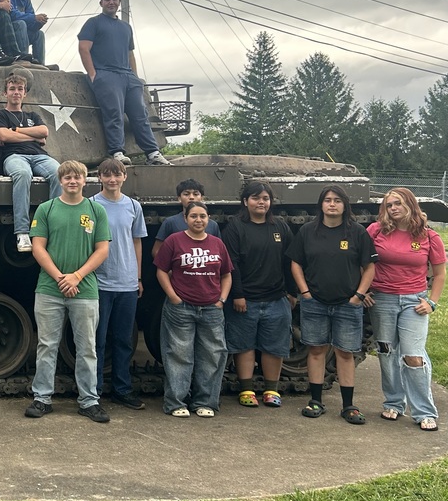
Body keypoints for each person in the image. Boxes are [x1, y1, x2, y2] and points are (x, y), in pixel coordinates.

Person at [25, 161, 112, 423]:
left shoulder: (96, 210)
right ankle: (42, 398)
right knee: (46, 345)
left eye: (77, 177)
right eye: (67, 178)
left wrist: (76, 276)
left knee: (87, 348)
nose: (72, 181)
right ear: (60, 181)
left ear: (85, 180)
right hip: (49, 288)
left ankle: (89, 400)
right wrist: (60, 277)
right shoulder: (47, 208)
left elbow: (102, 250)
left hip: (84, 288)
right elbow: (38, 247)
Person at [289, 185, 377, 425]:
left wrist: (358, 295)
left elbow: (369, 266)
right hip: (315, 302)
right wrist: (305, 292)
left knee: (345, 353)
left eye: (337, 200)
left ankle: (348, 405)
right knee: (316, 350)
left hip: (347, 303)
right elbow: (296, 263)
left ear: (344, 205)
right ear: (321, 204)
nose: (332, 204)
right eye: (327, 200)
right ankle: (316, 401)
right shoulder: (308, 231)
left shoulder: (357, 232)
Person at [367, 187, 445, 431]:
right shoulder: (375, 231)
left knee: (413, 356)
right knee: (386, 351)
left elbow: (440, 274)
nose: (393, 208)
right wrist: (364, 290)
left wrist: (432, 302)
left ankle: (424, 411)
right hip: (382, 299)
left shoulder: (429, 236)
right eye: (389, 205)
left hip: (414, 301)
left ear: (410, 204)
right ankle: (393, 402)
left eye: (398, 203)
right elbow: (362, 262)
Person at [155, 202, 233, 417]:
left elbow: (226, 274)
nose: (198, 220)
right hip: (181, 308)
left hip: (211, 308)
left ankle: (205, 403)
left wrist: (222, 299)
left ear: (208, 219)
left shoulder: (217, 243)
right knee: (178, 355)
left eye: (202, 216)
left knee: (212, 356)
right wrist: (173, 297)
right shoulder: (174, 240)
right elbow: (161, 270)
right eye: (194, 216)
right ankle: (176, 403)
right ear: (186, 218)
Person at [77, 0, 170, 166]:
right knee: (114, 114)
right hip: (106, 73)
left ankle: (153, 152)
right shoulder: (93, 23)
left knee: (140, 115)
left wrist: (135, 77)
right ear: (101, 2)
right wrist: (93, 74)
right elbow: (83, 48)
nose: (111, 2)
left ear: (119, 1)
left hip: (127, 76)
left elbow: (130, 53)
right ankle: (117, 152)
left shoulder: (126, 27)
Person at [222, 181, 295, 408]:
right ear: (246, 201)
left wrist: (292, 292)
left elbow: (289, 261)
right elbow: (231, 264)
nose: (261, 202)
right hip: (246, 298)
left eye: (265, 198)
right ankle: (246, 389)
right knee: (244, 345)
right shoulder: (235, 228)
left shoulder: (280, 227)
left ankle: (271, 389)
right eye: (255, 198)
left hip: (276, 297)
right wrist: (238, 294)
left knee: (274, 346)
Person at [91, 157, 148, 407]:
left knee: (123, 340)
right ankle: (93, 392)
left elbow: (137, 241)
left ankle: (122, 389)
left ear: (124, 177)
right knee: (97, 340)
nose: (112, 179)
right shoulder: (92, 204)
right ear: (100, 177)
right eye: (107, 174)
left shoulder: (133, 206)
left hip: (126, 282)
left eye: (117, 174)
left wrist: (138, 276)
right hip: (99, 282)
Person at [0, 70, 60, 252]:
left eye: (20, 89)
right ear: (5, 93)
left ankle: (53, 226)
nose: (16, 92)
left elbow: (44, 131)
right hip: (14, 156)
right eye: (12, 89)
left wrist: (16, 131)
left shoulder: (32, 116)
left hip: (40, 156)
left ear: (25, 93)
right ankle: (22, 232)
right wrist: (33, 136)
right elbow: (3, 135)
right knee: (22, 174)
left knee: (59, 173)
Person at [151, 178, 222, 259]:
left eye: (195, 194)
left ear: (202, 198)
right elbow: (157, 251)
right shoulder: (170, 222)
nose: (191, 197)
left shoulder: (213, 225)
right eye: (186, 194)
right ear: (179, 198)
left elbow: (219, 250)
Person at [7, 0, 47, 65]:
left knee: (39, 34)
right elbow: (12, 14)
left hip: (22, 33)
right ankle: (23, 58)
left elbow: (31, 24)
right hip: (7, 33)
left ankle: (40, 63)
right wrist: (33, 18)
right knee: (21, 24)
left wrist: (39, 22)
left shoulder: (27, 0)